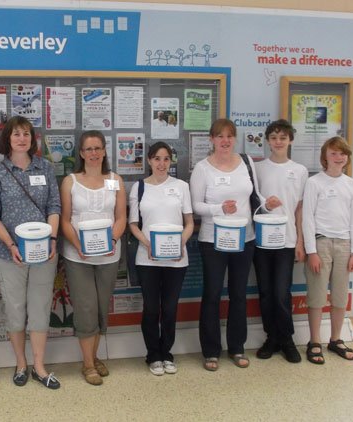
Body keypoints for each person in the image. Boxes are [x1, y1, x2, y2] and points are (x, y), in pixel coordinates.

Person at [189, 118, 281, 371]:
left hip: (245, 238)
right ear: (211, 139)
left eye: (229, 136)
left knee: (239, 295)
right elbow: (195, 206)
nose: (225, 141)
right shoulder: (202, 169)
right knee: (212, 295)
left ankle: (237, 347)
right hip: (213, 241)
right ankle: (210, 351)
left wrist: (267, 204)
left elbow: (255, 195)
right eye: (220, 136)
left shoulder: (247, 162)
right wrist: (219, 208)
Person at [0, 116, 61, 389]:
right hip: (9, 255)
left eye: (26, 133)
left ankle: (39, 366)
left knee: (40, 308)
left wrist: (52, 239)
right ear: (8, 138)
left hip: (44, 253)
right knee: (15, 310)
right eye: (16, 134)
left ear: (32, 138)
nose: (21, 138)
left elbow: (54, 207)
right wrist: (12, 245)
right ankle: (20, 363)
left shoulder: (46, 168)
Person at [60, 130, 126, 385]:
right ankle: (88, 364)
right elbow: (65, 220)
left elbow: (120, 217)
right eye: (88, 149)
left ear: (104, 151)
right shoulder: (70, 181)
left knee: (100, 307)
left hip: (109, 255)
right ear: (81, 153)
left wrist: (112, 240)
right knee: (86, 307)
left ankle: (94, 356)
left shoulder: (115, 180)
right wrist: (79, 246)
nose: (94, 153)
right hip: (78, 256)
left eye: (98, 148)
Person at [129, 142, 194, 375]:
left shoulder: (182, 186)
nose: (161, 164)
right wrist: (148, 244)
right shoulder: (138, 188)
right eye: (157, 158)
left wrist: (179, 243)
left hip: (176, 259)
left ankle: (167, 353)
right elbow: (133, 225)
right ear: (149, 160)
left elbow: (189, 223)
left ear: (171, 162)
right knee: (150, 308)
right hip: (147, 258)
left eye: (166, 159)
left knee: (169, 308)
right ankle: (153, 355)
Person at [253, 120, 308, 363]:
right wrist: (266, 204)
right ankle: (271, 337)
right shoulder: (258, 168)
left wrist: (300, 242)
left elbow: (299, 209)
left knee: (281, 292)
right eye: (274, 137)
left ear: (290, 141)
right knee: (265, 291)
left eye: (283, 138)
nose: (278, 142)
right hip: (262, 241)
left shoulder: (300, 170)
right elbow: (253, 203)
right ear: (267, 140)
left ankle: (287, 339)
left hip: (287, 241)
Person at [302, 136, 353, 364]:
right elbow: (307, 219)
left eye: (342, 153)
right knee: (316, 296)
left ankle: (336, 339)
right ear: (325, 157)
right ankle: (314, 340)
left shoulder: (352, 185)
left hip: (344, 245)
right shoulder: (315, 183)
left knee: (339, 296)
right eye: (334, 153)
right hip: (321, 243)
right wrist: (311, 251)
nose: (339, 157)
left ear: (347, 158)